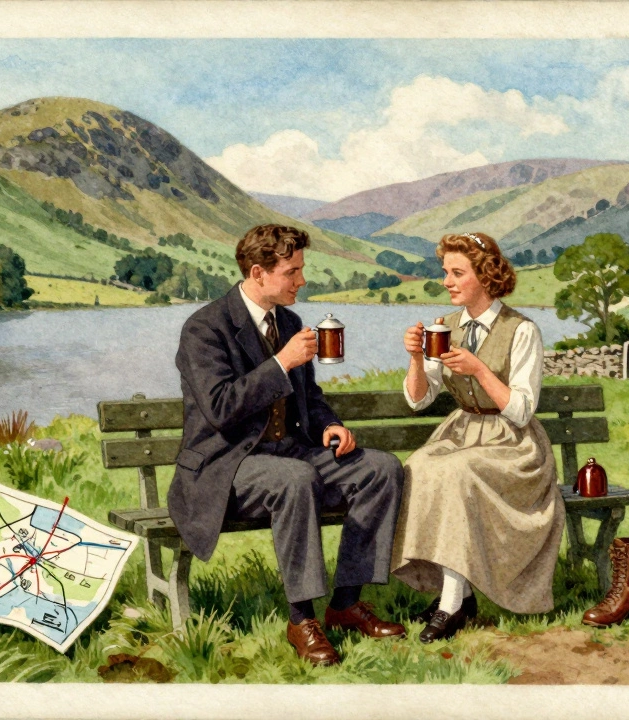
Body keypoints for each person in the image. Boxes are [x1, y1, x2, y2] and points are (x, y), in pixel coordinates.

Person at [170, 224, 406, 667]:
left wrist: (329, 426)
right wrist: (281, 363)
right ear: (258, 273)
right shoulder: (204, 328)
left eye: (301, 270)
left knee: (381, 469)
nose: (301, 281)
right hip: (226, 465)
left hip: (287, 454)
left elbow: (308, 399)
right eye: (292, 272)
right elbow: (220, 408)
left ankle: (346, 604)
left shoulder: (289, 322)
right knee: (295, 478)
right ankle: (301, 619)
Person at [391, 231, 565, 643]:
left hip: (513, 444)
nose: (447, 282)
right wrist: (416, 358)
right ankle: (459, 595)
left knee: (457, 470)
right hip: (464, 430)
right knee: (420, 464)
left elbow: (522, 409)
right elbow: (418, 400)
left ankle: (451, 603)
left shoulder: (521, 330)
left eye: (457, 273)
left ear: (485, 276)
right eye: (445, 273)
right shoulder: (444, 328)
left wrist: (479, 370)